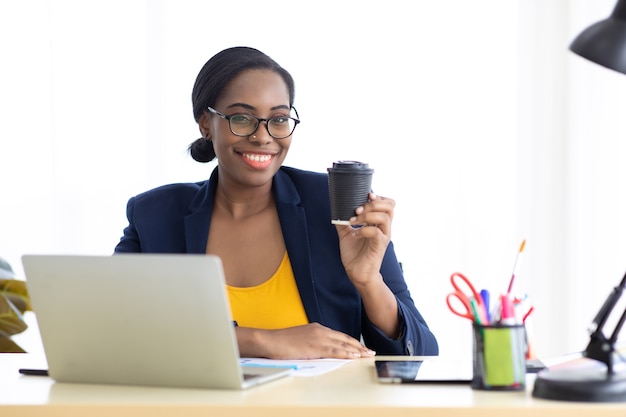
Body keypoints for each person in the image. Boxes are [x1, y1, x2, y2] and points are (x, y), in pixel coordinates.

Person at [115, 46, 438, 359]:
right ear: (205, 124)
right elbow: (114, 326)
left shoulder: (332, 206)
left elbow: (421, 352)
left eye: (279, 119)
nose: (263, 136)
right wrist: (261, 341)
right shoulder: (155, 215)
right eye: (242, 118)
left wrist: (369, 281)